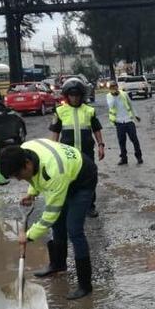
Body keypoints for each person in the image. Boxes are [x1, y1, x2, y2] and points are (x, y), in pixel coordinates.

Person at [0, 139, 99, 300]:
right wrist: (32, 192)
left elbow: (50, 214)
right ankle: (58, 265)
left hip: (82, 179)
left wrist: (29, 236)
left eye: (18, 175)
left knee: (74, 229)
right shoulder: (24, 150)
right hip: (65, 172)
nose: (18, 179)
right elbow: (36, 177)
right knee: (58, 224)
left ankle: (85, 285)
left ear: (27, 163)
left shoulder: (53, 172)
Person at [50, 77, 105, 217]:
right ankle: (70, 206)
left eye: (77, 95)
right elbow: (55, 132)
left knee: (89, 180)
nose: (74, 98)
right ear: (67, 96)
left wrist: (101, 145)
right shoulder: (60, 111)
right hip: (67, 154)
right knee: (68, 180)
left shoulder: (89, 110)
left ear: (82, 96)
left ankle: (90, 206)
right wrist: (53, 152)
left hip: (86, 153)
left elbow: (96, 129)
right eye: (71, 95)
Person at [106, 80, 143, 165]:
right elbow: (111, 105)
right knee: (122, 142)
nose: (114, 88)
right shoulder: (108, 96)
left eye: (115, 86)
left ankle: (139, 157)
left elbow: (131, 105)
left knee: (134, 140)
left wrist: (136, 115)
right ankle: (124, 158)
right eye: (111, 87)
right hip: (119, 122)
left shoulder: (124, 94)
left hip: (129, 120)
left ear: (117, 86)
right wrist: (113, 96)